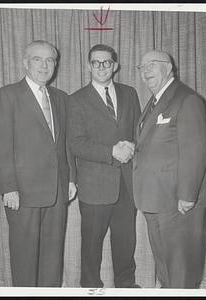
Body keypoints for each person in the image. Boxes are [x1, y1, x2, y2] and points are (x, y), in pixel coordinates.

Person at [0, 40, 77, 287]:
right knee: (25, 258)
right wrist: (8, 187)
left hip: (57, 190)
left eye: (50, 60)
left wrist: (71, 178)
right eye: (38, 59)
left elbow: (65, 143)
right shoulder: (7, 95)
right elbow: (1, 145)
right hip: (23, 193)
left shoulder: (61, 98)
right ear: (25, 63)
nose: (45, 65)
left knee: (52, 260)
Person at [67, 44, 141, 288]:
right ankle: (90, 288)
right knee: (91, 246)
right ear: (89, 66)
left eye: (106, 62)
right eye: (96, 62)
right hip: (94, 187)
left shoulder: (130, 93)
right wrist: (111, 151)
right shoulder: (76, 100)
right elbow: (76, 144)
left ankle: (126, 287)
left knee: (126, 243)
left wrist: (131, 146)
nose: (101, 67)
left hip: (127, 185)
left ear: (115, 66)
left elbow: (139, 132)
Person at [133, 50, 206, 288]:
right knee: (166, 270)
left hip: (178, 203)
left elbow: (195, 151)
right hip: (155, 200)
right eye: (142, 67)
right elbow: (156, 144)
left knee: (181, 272)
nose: (145, 71)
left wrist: (187, 196)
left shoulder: (187, 99)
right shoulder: (155, 101)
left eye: (152, 65)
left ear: (169, 68)